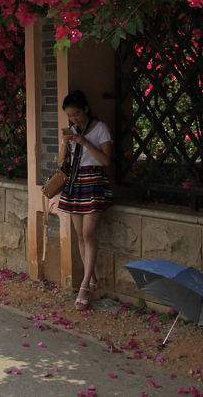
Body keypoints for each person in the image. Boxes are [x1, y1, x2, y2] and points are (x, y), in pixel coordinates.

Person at [55, 90, 114, 310]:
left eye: (77, 114)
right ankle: (91, 279)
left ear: (86, 109)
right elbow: (61, 163)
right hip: (75, 183)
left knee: (89, 233)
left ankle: (84, 285)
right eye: (70, 116)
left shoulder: (100, 128)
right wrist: (65, 143)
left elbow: (106, 161)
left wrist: (85, 142)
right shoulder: (71, 130)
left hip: (93, 181)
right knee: (80, 234)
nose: (74, 119)